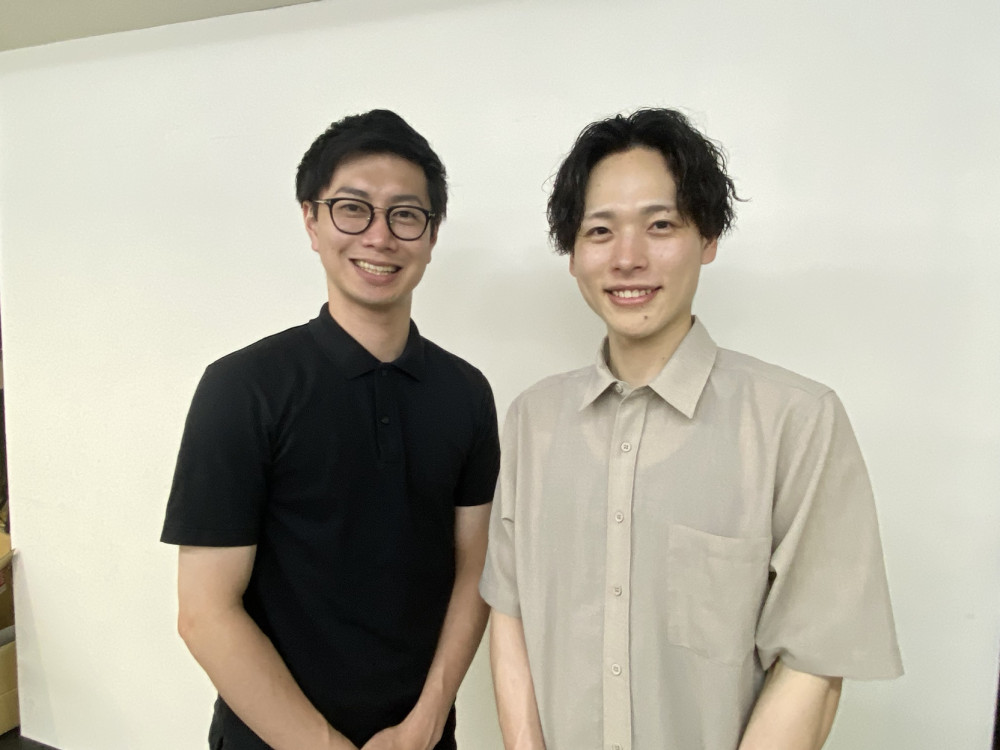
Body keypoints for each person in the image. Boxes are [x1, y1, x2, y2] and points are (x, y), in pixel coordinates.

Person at [480, 108, 902, 750]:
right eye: (600, 231)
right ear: (573, 254)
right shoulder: (532, 420)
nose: (628, 258)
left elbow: (814, 661)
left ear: (707, 237)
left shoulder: (796, 420)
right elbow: (510, 611)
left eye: (660, 225)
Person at [162, 109, 500, 750]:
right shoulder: (242, 388)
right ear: (311, 221)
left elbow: (474, 567)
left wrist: (427, 721)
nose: (379, 236)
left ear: (431, 235)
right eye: (352, 209)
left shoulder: (466, 394)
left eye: (406, 214)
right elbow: (205, 612)